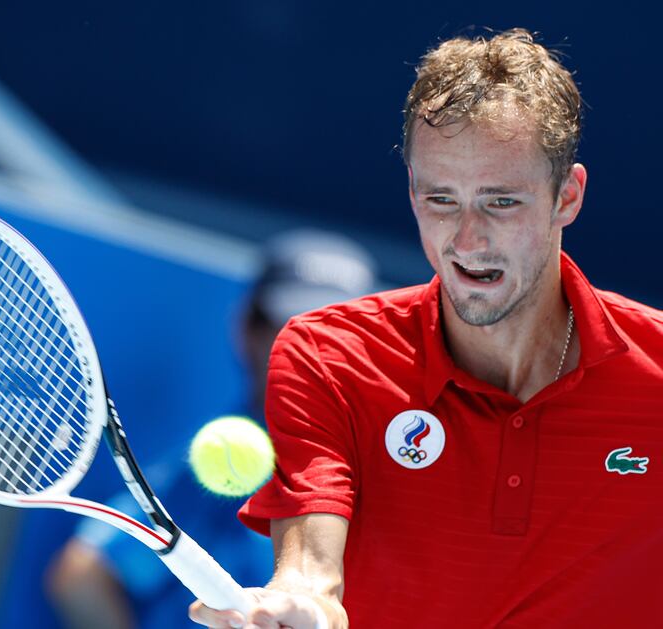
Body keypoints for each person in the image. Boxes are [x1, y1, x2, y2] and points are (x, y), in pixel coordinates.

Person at [190, 28, 663, 629]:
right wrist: (304, 603)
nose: (466, 241)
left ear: (566, 198)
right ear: (412, 192)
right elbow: (310, 566)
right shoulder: (327, 356)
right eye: (441, 200)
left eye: (501, 202)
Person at [46, 230, 377, 628]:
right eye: (290, 329)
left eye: (331, 334)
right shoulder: (218, 463)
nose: (313, 352)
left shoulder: (390, 467)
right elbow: (83, 573)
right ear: (247, 332)